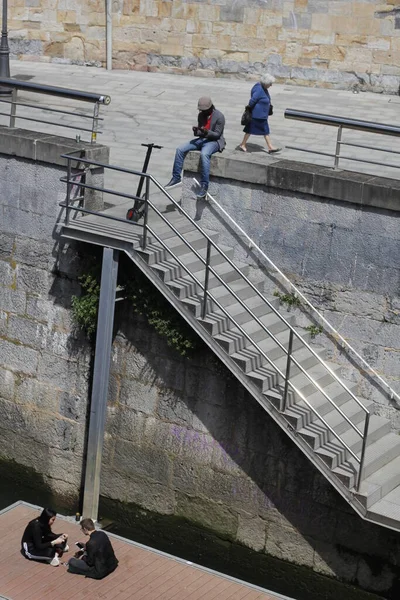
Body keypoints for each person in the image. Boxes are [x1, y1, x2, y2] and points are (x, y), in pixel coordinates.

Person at [165, 96, 226, 200]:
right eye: (201, 110)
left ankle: (204, 185)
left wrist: (207, 132)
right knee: (180, 149)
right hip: (203, 139)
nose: (202, 112)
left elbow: (217, 135)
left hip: (214, 142)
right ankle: (176, 177)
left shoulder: (219, 116)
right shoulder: (201, 115)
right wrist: (196, 131)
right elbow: (200, 133)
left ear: (210, 108)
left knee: (204, 154)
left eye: (204, 110)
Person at [239, 73, 281, 154]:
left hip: (261, 115)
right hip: (257, 116)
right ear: (265, 83)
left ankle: (270, 147)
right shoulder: (259, 89)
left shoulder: (263, 88)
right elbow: (252, 101)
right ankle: (243, 144)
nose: (271, 85)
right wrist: (249, 109)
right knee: (251, 130)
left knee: (264, 131)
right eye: (270, 83)